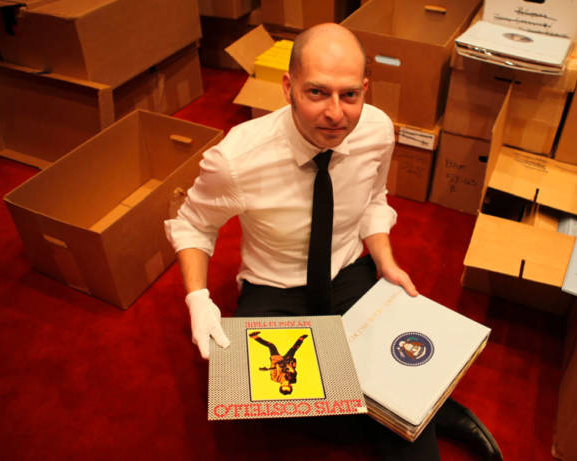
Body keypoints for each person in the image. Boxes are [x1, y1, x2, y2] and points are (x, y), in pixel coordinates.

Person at [165, 22, 502, 461]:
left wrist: (385, 260)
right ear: (288, 87)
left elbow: (374, 200)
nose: (336, 114)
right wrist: (198, 298)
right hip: (273, 288)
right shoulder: (236, 158)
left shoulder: (377, 130)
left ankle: (414, 407)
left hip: (346, 273)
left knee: (393, 376)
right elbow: (193, 224)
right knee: (270, 396)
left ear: (365, 89)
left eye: (350, 95)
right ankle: (422, 407)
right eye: (317, 92)